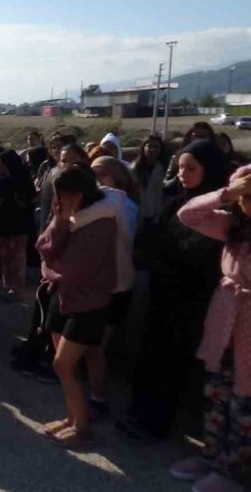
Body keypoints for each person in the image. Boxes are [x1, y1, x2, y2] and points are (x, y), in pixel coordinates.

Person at [119, 140, 230, 442]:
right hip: (163, 290)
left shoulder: (223, 212)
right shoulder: (175, 202)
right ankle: (138, 411)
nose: (182, 173)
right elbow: (153, 237)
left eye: (191, 168)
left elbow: (208, 257)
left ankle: (158, 423)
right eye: (180, 167)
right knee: (150, 352)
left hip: (193, 299)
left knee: (173, 362)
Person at [168, 164, 251, 492]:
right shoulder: (234, 227)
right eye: (244, 196)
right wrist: (228, 193)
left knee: (245, 403)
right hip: (226, 318)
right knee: (217, 391)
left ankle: (234, 471)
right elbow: (188, 214)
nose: (246, 202)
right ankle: (212, 454)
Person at [38, 165, 118, 447]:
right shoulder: (67, 215)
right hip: (64, 297)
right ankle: (72, 418)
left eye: (62, 194)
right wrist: (59, 221)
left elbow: (71, 269)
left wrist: (48, 269)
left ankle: (83, 428)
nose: (56, 200)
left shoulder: (101, 223)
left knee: (64, 363)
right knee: (63, 365)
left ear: (78, 193)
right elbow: (44, 247)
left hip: (89, 303)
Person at [83, 156, 140, 419]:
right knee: (95, 345)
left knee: (97, 346)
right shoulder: (116, 203)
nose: (96, 181)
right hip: (107, 283)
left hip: (112, 286)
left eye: (101, 174)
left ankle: (99, 399)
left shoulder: (118, 204)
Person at [0, 149, 36, 301]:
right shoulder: (2, 181)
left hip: (18, 224)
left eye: (0, 164)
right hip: (6, 224)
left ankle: (16, 288)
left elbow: (29, 199)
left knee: (16, 257)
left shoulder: (21, 180)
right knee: (7, 257)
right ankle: (8, 286)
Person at [130, 135, 168, 244]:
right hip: (138, 217)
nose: (152, 149)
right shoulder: (133, 170)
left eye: (156, 146)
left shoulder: (165, 169)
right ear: (143, 148)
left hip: (158, 216)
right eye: (149, 146)